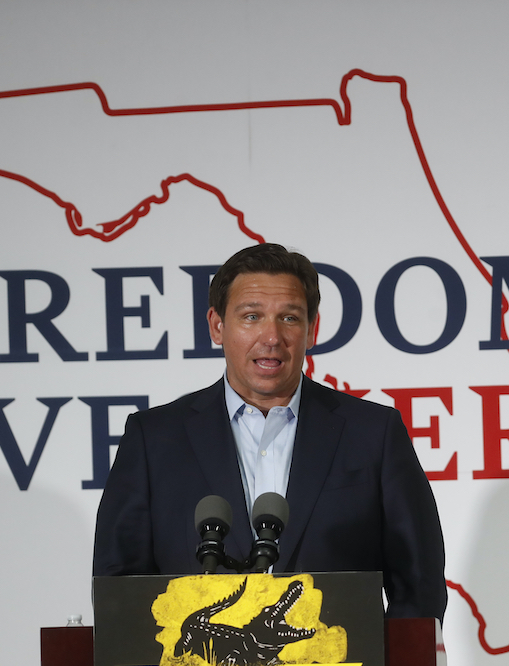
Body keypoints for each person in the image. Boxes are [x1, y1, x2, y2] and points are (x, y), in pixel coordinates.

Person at [92, 242, 446, 620]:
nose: (272, 337)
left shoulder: (374, 435)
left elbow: (418, 588)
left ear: (312, 330)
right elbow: (118, 590)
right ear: (217, 325)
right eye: (251, 316)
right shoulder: (153, 440)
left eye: (290, 318)